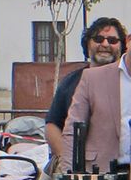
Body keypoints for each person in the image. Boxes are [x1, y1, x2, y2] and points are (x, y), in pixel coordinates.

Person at [46, 17, 125, 170]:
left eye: (112, 40)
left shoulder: (127, 81)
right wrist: (68, 162)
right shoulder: (71, 82)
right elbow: (52, 125)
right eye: (98, 39)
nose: (105, 44)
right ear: (88, 44)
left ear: (123, 46)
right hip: (87, 172)